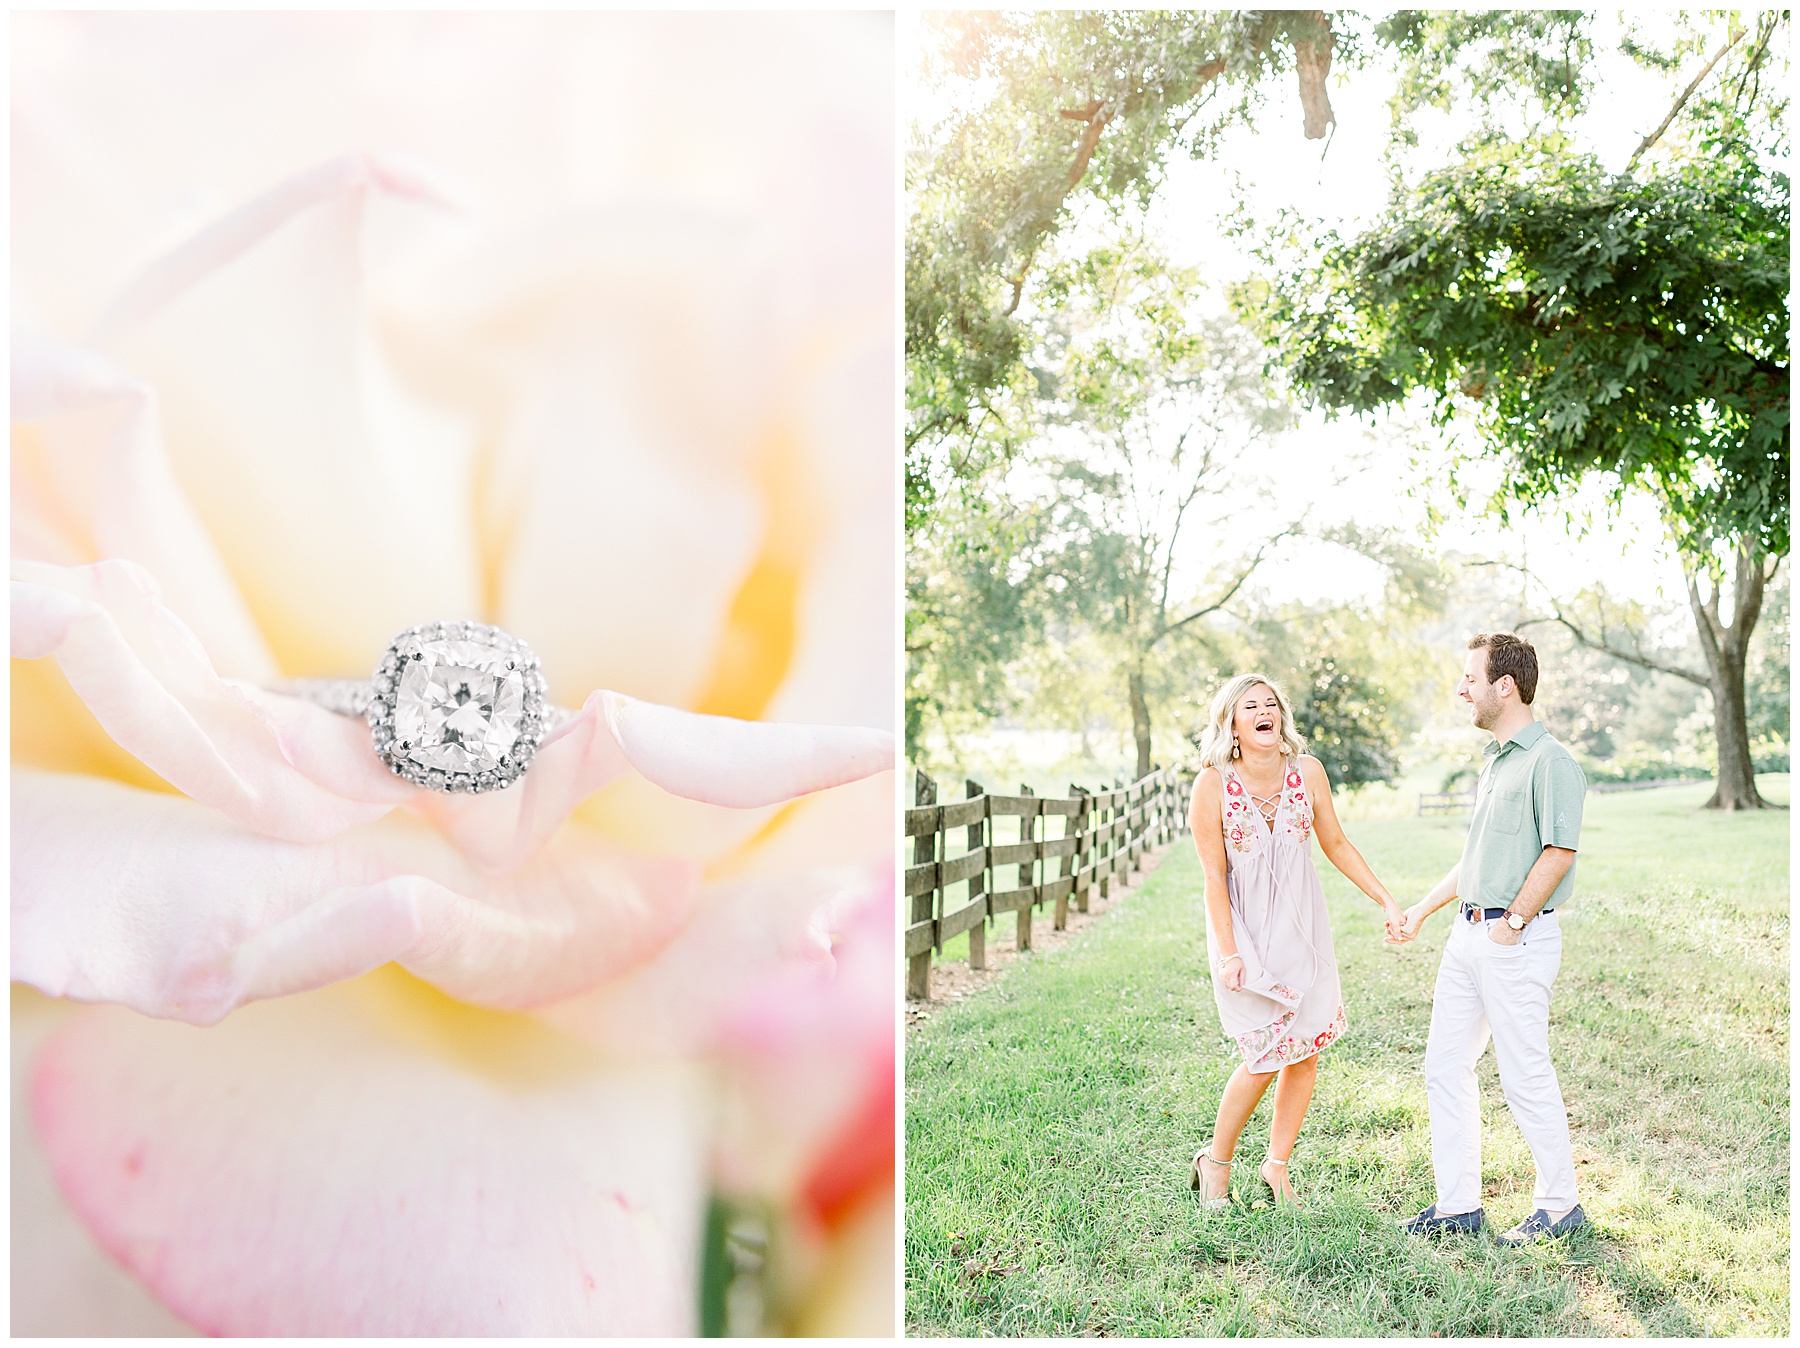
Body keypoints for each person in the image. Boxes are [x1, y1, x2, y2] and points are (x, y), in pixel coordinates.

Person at [1390, 632, 1589, 1245]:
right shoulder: (1497, 760)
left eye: (1470, 679)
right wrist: (1424, 909)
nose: (1462, 690)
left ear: (1505, 686)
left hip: (1513, 941)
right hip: (1465, 937)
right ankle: (1459, 1207)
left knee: (1524, 1072)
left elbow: (1559, 852)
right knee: (1444, 1067)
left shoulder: (1550, 761)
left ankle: (1560, 1207)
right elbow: (1476, 857)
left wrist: (1513, 924)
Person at [1187, 672, 1405, 1208]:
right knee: (1263, 1054)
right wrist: (1230, 952)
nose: (1265, 712)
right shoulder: (1212, 785)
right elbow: (1214, 877)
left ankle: (1276, 1167)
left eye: (1271, 704)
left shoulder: (1306, 773)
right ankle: (1215, 1164)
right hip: (1247, 937)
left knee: (1304, 1051)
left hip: (1304, 931)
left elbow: (1335, 841)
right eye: (1250, 706)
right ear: (1232, 723)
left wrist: (1385, 898)